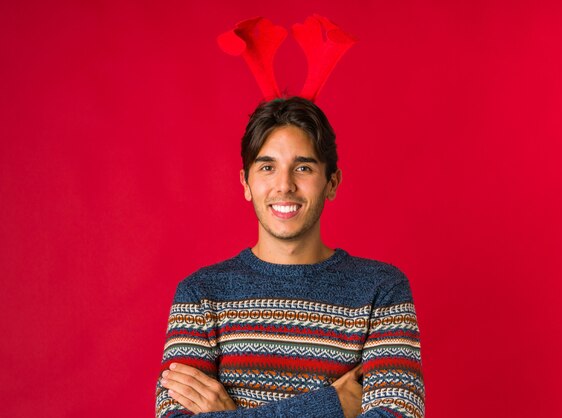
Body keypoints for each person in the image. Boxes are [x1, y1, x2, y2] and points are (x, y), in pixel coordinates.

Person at [156, 97, 425, 418]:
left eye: (303, 167)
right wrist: (331, 405)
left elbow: (397, 415)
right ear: (246, 182)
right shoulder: (200, 293)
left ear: (332, 183)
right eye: (268, 167)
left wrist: (229, 414)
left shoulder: (381, 289)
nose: (284, 185)